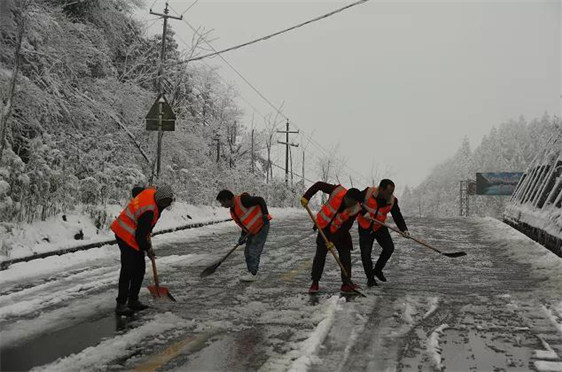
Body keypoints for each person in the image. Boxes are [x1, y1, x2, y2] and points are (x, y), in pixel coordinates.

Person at [110, 185, 174, 316]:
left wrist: (146, 235)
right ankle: (121, 304)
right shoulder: (149, 211)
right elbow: (140, 237)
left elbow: (137, 191)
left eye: (168, 202)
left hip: (134, 232)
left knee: (139, 269)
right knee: (128, 269)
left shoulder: (152, 194)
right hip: (125, 234)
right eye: (163, 201)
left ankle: (133, 300)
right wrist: (148, 249)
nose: (165, 204)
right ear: (158, 198)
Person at [300, 182, 363, 294]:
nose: (350, 205)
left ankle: (346, 283)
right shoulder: (337, 191)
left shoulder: (355, 209)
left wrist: (333, 241)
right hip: (324, 227)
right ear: (346, 196)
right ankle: (315, 282)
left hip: (340, 232)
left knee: (345, 254)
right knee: (320, 255)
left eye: (353, 203)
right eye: (349, 202)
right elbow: (319, 185)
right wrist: (306, 196)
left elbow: (345, 227)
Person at [357, 179, 409, 287]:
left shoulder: (392, 201)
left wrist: (404, 229)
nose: (391, 194)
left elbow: (397, 216)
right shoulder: (368, 192)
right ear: (381, 189)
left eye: (392, 192)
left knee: (389, 248)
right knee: (366, 254)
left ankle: (377, 270)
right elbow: (356, 201)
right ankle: (370, 278)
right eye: (389, 192)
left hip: (379, 226)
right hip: (365, 227)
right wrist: (363, 212)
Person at [216, 189, 271, 282]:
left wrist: (265, 214)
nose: (222, 205)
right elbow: (245, 222)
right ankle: (251, 271)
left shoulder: (243, 200)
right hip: (251, 229)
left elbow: (260, 200)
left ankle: (253, 273)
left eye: (222, 202)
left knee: (253, 250)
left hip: (261, 225)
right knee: (247, 252)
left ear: (227, 199)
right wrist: (243, 236)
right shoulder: (233, 209)